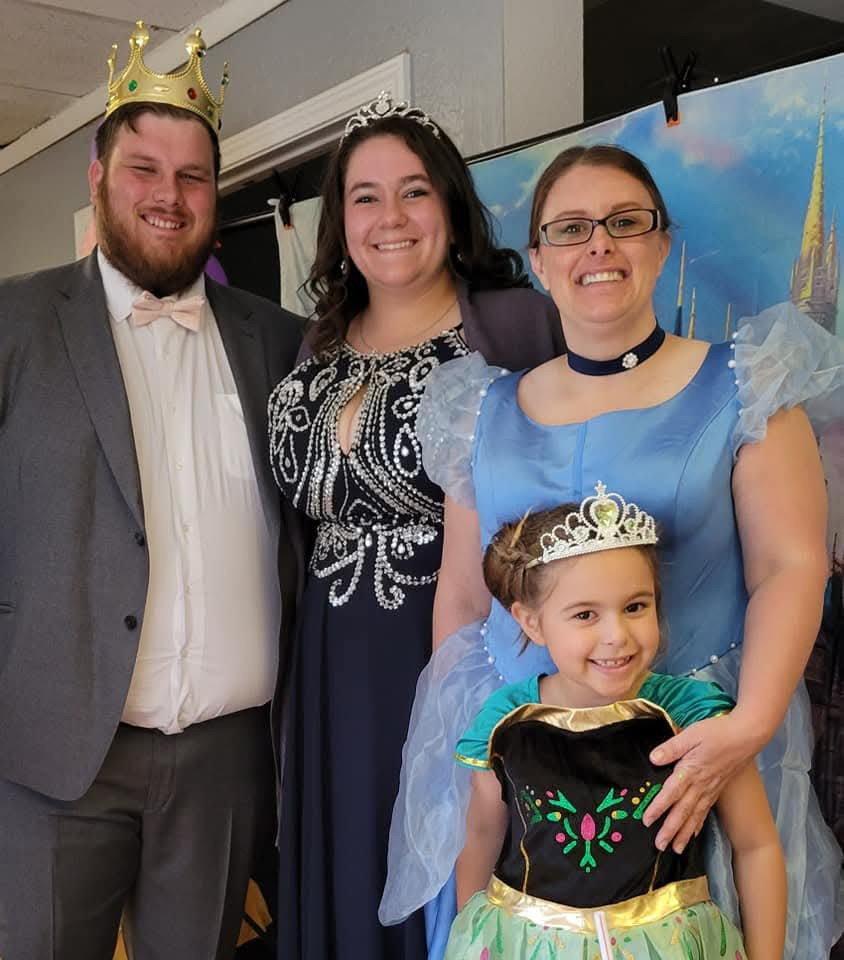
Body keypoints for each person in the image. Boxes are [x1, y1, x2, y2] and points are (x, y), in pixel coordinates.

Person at [382, 144, 844, 959]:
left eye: (625, 222)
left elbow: (790, 567)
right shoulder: (478, 411)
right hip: (524, 762)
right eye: (570, 228)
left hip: (691, 747)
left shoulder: (747, 384)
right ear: (539, 260)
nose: (598, 244)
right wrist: (467, 748)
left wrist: (746, 727)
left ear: (662, 244)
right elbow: (461, 597)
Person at [0, 22, 303, 960]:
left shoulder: (280, 342)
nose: (168, 196)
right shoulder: (13, 322)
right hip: (54, 755)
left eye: (192, 177)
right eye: (144, 169)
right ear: (98, 177)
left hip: (225, 765)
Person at [268, 92, 564, 960]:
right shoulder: (318, 343)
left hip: (450, 644)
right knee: (345, 860)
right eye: (366, 196)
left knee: (442, 857)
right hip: (326, 659)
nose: (390, 217)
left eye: (414, 192)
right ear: (341, 221)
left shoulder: (515, 325)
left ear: (451, 207)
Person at [445, 490, 785, 960]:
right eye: (585, 615)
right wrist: (472, 939)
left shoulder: (694, 717)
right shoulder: (506, 721)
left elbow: (755, 845)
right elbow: (482, 834)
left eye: (635, 607)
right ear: (531, 623)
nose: (616, 636)